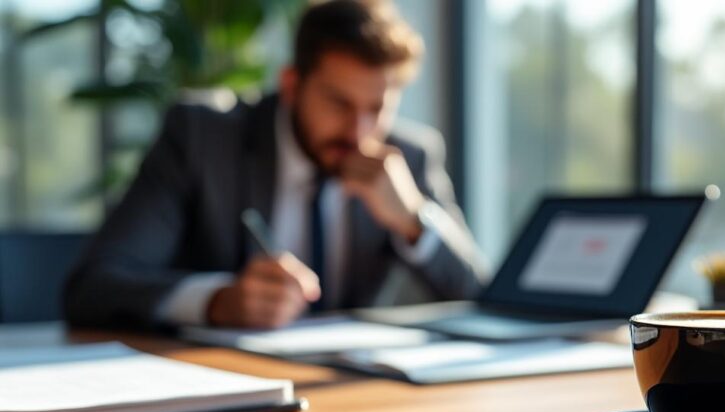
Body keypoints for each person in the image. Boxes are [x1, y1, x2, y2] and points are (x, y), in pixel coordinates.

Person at [64, 0, 487, 330]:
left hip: (351, 397)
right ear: (291, 84)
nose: (359, 131)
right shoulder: (202, 139)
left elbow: (485, 297)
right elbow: (94, 286)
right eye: (339, 103)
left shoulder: (409, 158)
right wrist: (217, 301)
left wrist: (414, 221)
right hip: (224, 389)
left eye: (377, 108)